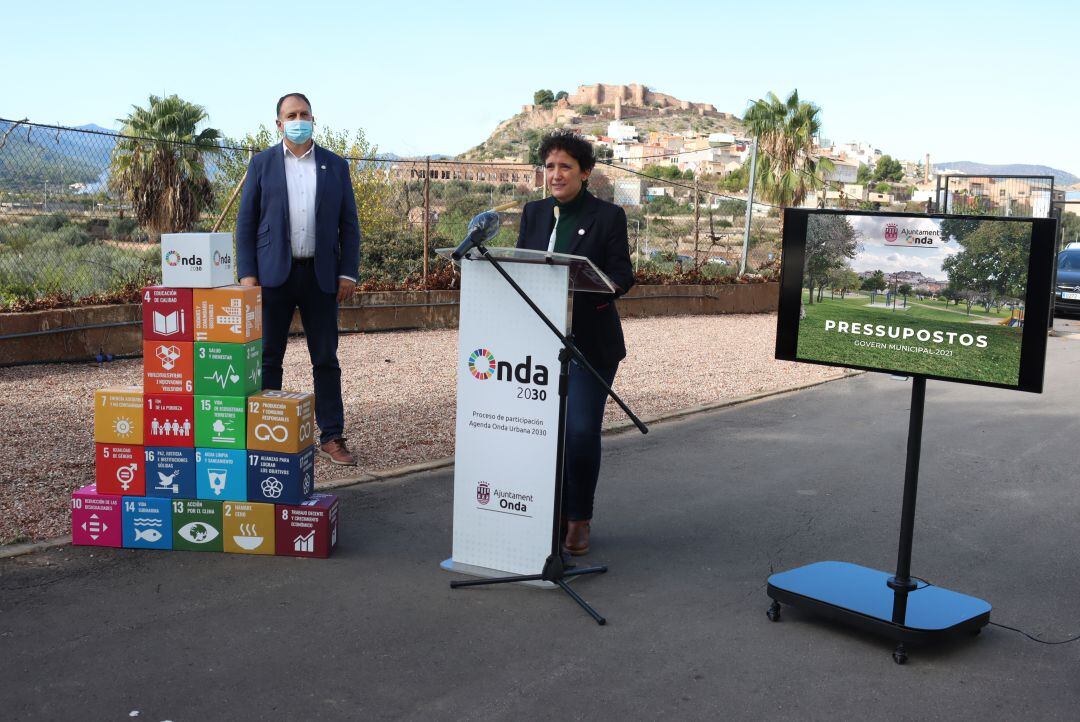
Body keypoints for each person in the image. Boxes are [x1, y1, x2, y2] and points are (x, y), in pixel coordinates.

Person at [515, 130, 634, 555]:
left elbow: (622, 276)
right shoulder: (533, 213)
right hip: (537, 344)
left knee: (580, 431)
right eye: (549, 166)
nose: (555, 174)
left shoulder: (608, 216)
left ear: (585, 172)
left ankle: (578, 517)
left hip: (589, 343)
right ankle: (541, 513)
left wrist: (589, 281)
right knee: (539, 432)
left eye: (565, 166)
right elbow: (520, 267)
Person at [236, 92, 361, 465]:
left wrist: (347, 272)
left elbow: (349, 225)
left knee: (325, 358)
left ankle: (332, 436)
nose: (298, 119)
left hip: (321, 277)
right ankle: (266, 435)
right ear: (279, 123)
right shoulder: (261, 165)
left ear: (313, 118)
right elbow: (245, 225)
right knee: (269, 357)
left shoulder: (335, 166)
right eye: (291, 115)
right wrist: (247, 276)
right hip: (273, 277)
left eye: (304, 113)